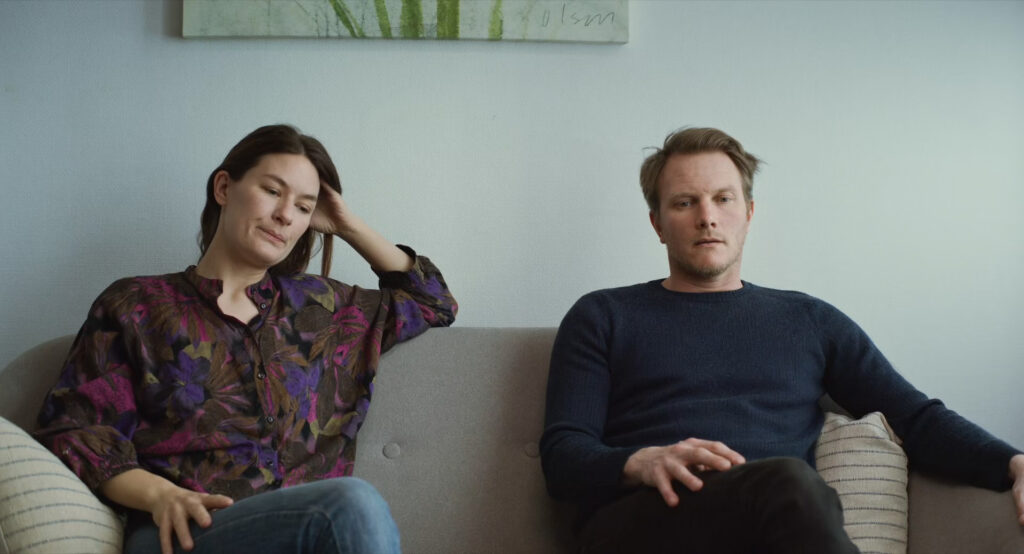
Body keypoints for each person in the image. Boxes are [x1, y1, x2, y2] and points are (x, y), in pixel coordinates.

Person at [539, 127, 1024, 553]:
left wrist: (1012, 462)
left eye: (723, 199)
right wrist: (642, 462)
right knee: (790, 482)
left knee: (790, 489)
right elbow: (563, 454)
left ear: (749, 212)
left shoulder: (810, 321)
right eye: (685, 202)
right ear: (657, 223)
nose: (707, 217)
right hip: (644, 522)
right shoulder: (603, 315)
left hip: (779, 524)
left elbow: (915, 418)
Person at [33, 124, 457, 554]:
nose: (286, 215)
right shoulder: (136, 304)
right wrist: (161, 495)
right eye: (272, 191)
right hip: (185, 533)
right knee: (353, 503)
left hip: (302, 536)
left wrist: (347, 225)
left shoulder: (323, 310)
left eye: (304, 207)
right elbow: (74, 428)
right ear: (223, 187)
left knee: (348, 507)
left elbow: (433, 301)